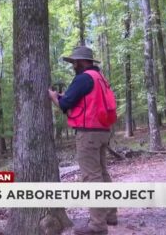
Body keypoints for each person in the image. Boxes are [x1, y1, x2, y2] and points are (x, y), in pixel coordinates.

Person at [48, 46, 117, 235]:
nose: (73, 66)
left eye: (74, 62)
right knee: (102, 173)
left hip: (88, 134)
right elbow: (83, 101)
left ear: (80, 62)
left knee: (91, 177)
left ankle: (98, 225)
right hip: (102, 130)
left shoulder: (83, 78)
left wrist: (54, 98)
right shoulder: (99, 78)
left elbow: (65, 103)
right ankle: (110, 214)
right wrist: (63, 97)